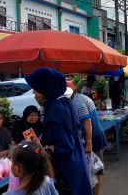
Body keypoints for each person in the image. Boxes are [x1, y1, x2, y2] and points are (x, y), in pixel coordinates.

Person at [25, 67, 92, 195]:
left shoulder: (57, 111)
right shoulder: (64, 102)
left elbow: (66, 145)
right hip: (76, 162)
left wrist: (48, 149)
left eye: (36, 89)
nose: (34, 93)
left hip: (67, 170)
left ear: (46, 87)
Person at [72, 93, 107, 195]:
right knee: (91, 170)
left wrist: (89, 143)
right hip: (91, 137)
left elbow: (87, 121)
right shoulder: (78, 97)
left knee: (96, 170)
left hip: (94, 137)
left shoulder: (77, 101)